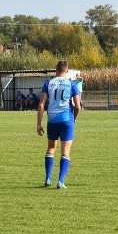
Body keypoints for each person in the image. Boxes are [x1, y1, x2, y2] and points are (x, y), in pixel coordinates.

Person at [37, 60, 81, 189]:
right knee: (65, 150)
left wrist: (39, 124)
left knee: (51, 148)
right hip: (66, 119)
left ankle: (48, 178)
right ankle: (60, 181)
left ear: (55, 70)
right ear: (67, 71)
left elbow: (41, 104)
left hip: (52, 120)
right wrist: (74, 118)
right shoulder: (72, 84)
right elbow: (78, 106)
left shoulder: (48, 83)